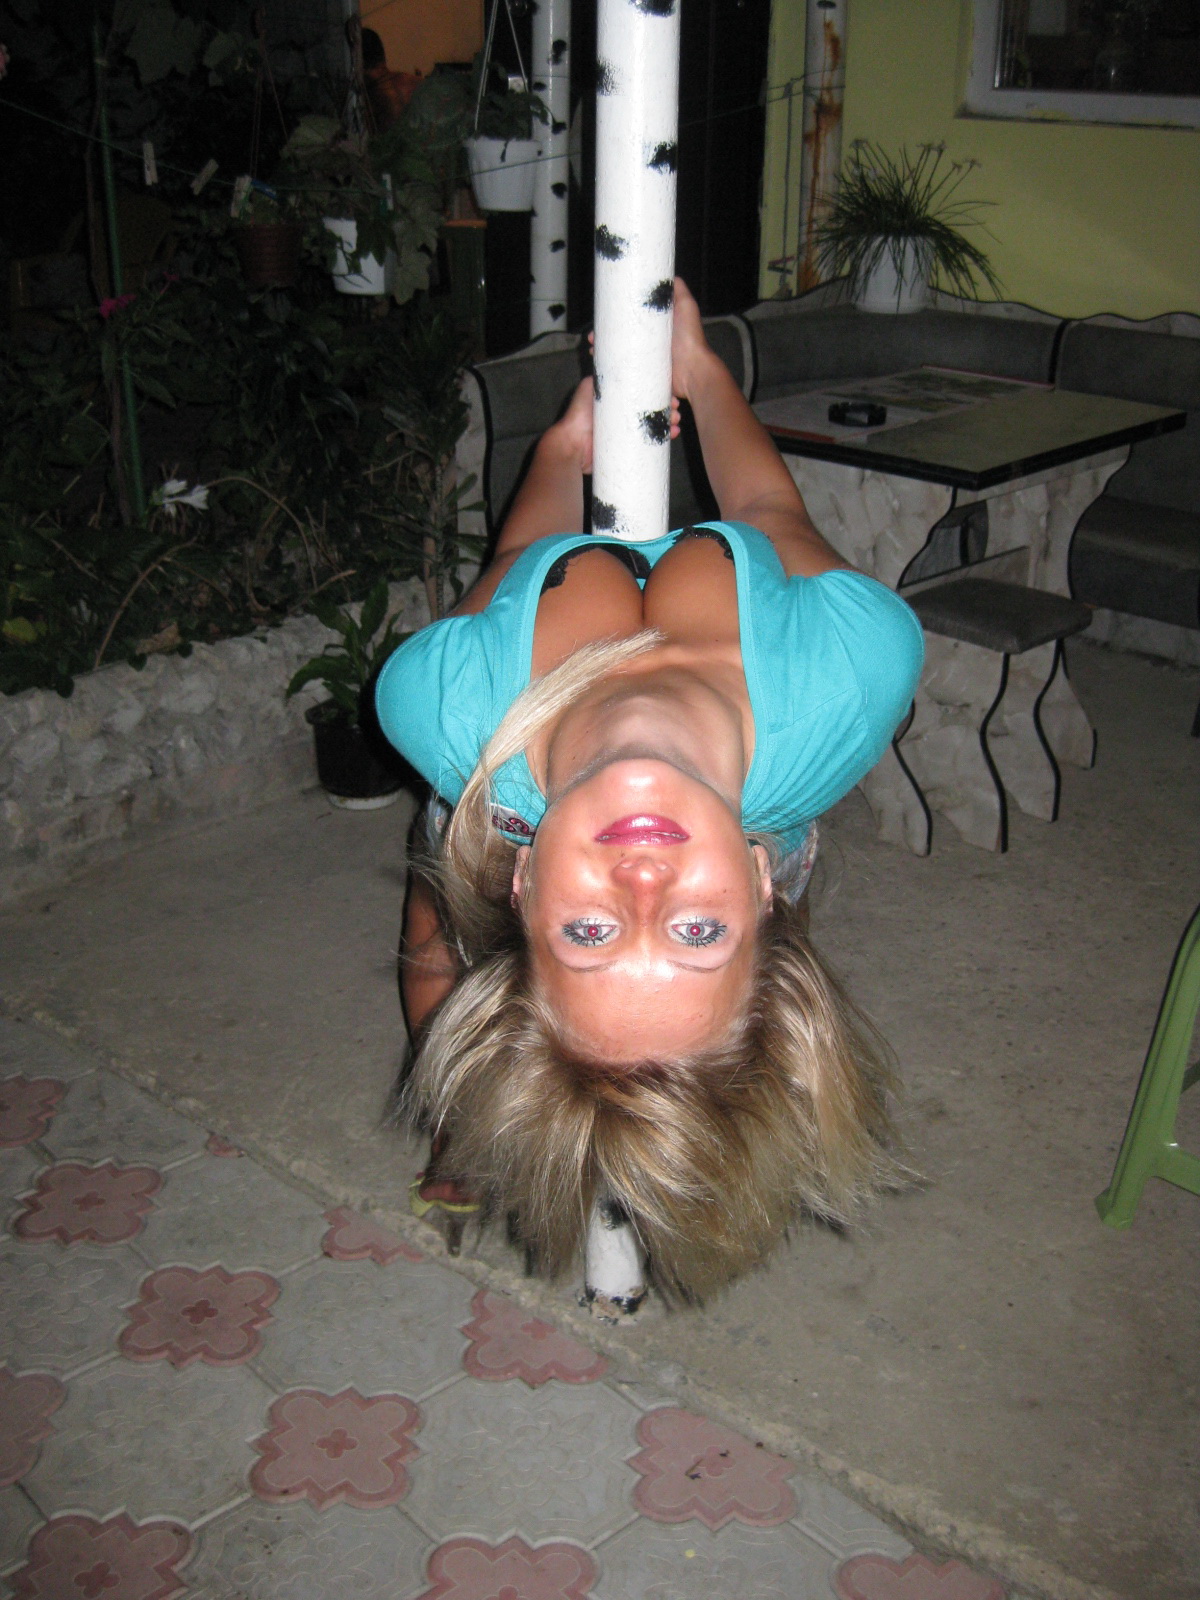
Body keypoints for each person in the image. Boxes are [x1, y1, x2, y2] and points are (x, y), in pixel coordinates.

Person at [376, 282, 924, 1299]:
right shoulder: (850, 674)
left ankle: (457, 1123)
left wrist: (561, 452)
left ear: (525, 888)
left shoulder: (447, 707)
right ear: (758, 884)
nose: (641, 882)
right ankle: (464, 1133)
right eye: (695, 933)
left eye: (589, 934)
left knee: (431, 938)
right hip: (762, 775)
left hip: (503, 781)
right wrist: (704, 375)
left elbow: (515, 559)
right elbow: (770, 514)